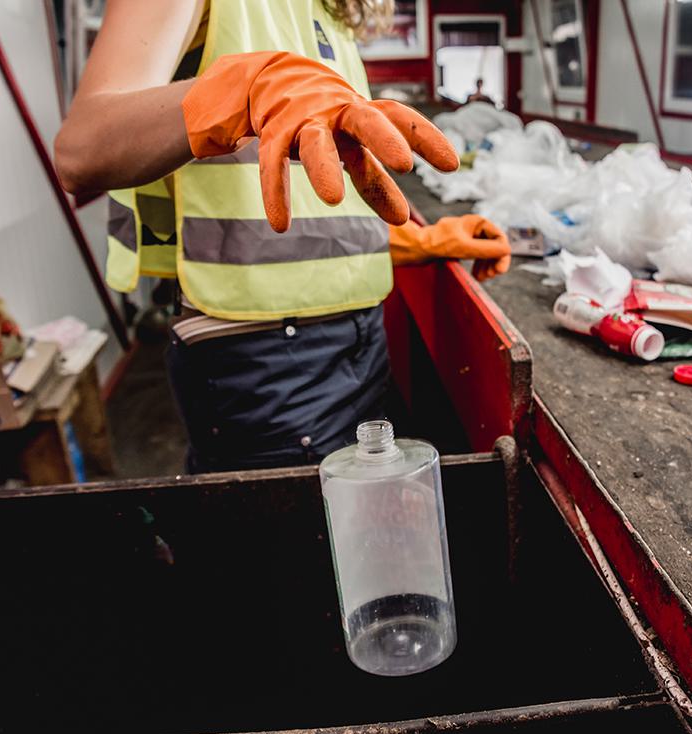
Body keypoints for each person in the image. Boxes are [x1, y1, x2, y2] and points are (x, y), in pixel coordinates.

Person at [54, 0, 512, 472]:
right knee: (290, 541)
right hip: (264, 350)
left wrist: (415, 243)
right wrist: (243, 89)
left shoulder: (329, 12)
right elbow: (83, 150)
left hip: (356, 339)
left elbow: (311, 196)